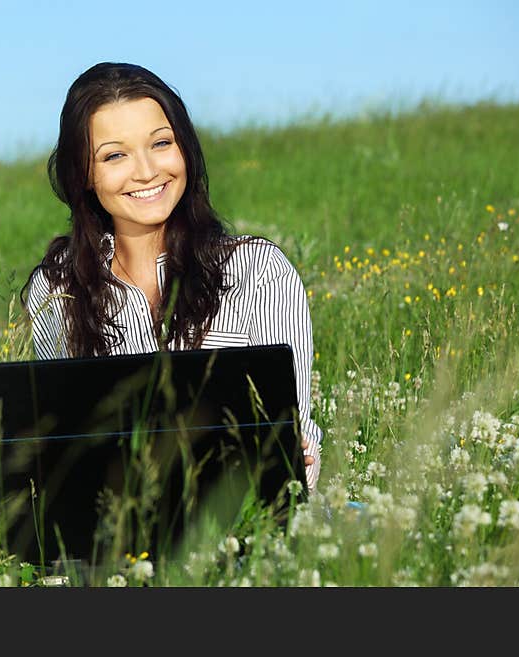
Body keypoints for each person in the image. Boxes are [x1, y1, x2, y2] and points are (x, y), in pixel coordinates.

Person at [21, 62, 321, 491]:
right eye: (114, 155)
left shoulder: (259, 272)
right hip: (116, 542)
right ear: (84, 174)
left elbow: (297, 441)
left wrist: (294, 458)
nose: (145, 171)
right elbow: (60, 451)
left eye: (161, 143)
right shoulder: (56, 290)